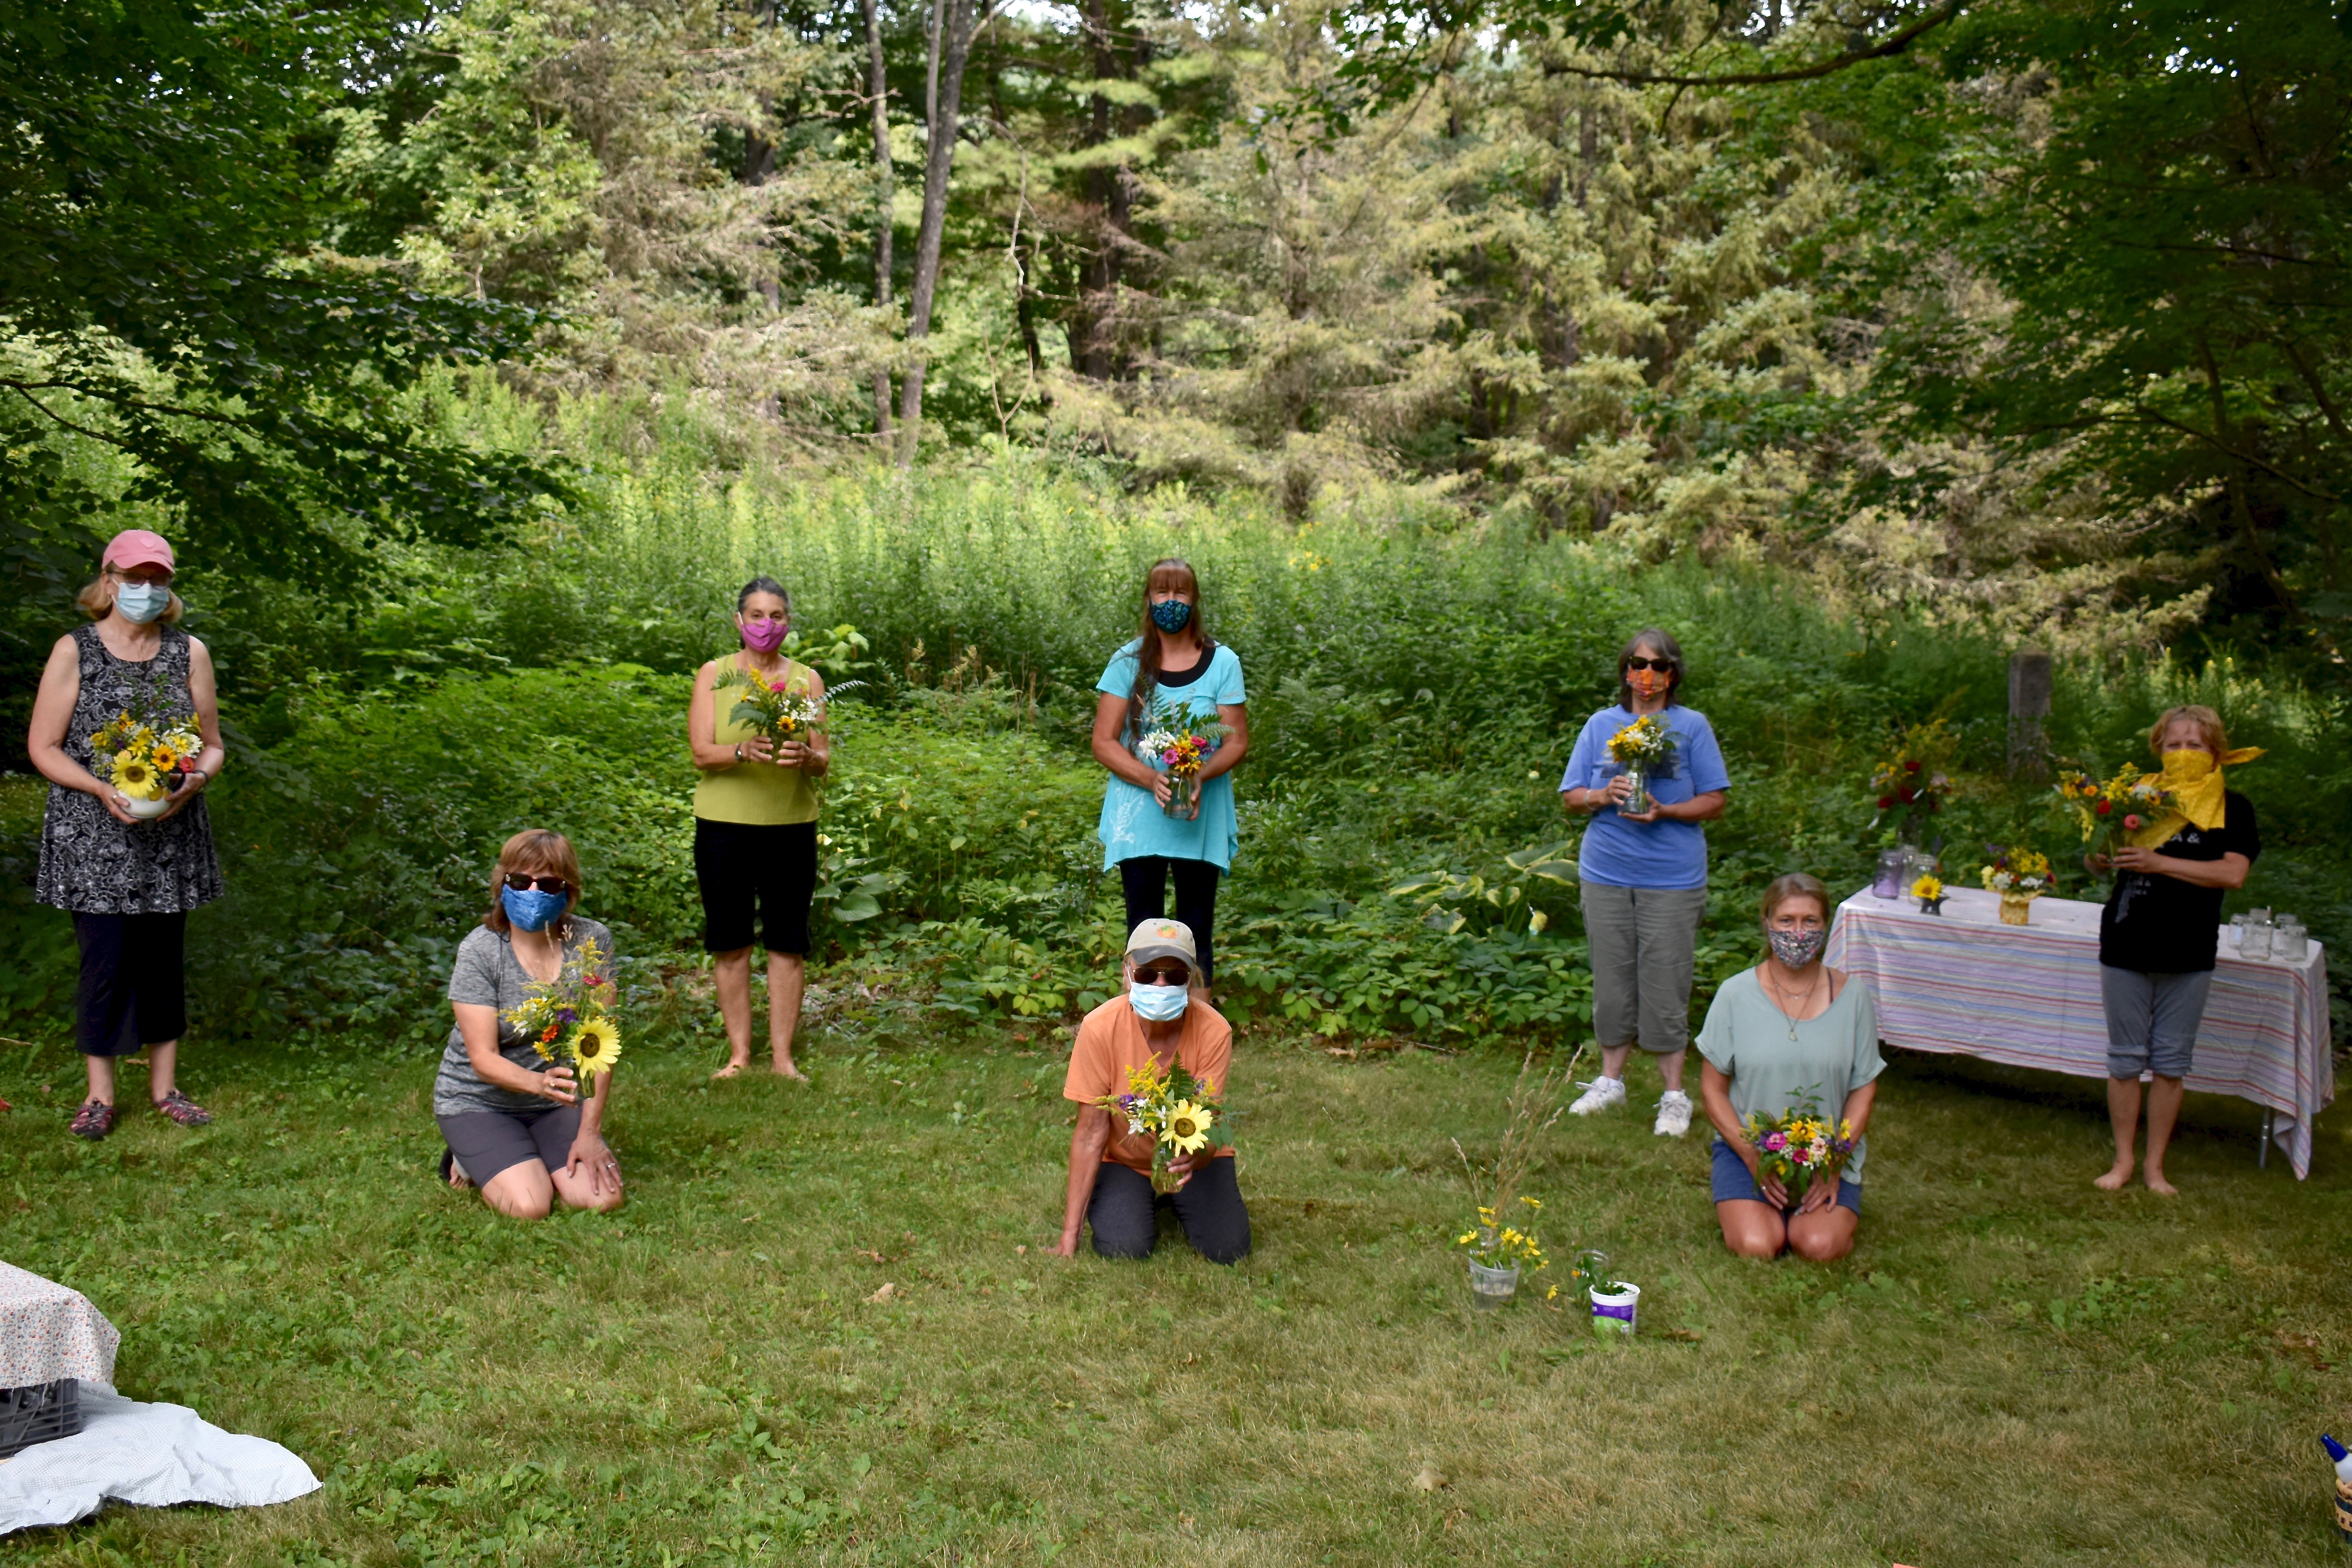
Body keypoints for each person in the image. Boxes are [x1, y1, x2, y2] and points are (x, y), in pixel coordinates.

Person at [26, 529, 224, 1140]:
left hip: (170, 833)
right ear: (108, 581)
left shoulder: (188, 652)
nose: (146, 589)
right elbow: (44, 746)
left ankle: (166, 1089)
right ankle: (99, 1096)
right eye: (134, 578)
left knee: (162, 961)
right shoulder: (75, 650)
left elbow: (213, 746)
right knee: (105, 962)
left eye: (157, 579)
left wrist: (192, 783)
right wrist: (98, 789)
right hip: (92, 835)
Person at [1557, 629, 1731, 1135]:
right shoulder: (1600, 724)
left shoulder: (1691, 726)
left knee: (1666, 981)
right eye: (1638, 664)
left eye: (1658, 665)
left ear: (1672, 674)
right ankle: (1609, 1081)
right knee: (1611, 979)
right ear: (1625, 670)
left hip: (1672, 878)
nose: (1647, 674)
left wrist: (1667, 810)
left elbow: (1716, 801)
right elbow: (1570, 796)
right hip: (1605, 871)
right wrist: (1601, 794)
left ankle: (1673, 1095)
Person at [2086, 705, 2259, 1196]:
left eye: (2195, 745)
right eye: (2173, 745)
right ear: (2158, 750)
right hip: (2125, 941)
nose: (2183, 752)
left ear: (2215, 753)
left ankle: (2155, 1167)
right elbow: (2105, 862)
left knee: (2171, 1062)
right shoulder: (2139, 798)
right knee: (2124, 1059)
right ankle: (2122, 1160)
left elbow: (2233, 873)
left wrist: (2159, 862)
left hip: (2189, 948)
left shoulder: (2232, 807)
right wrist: (2099, 856)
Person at [437, 830, 625, 1220]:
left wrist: (589, 1133)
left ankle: (524, 1150)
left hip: (555, 1102)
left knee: (601, 1200)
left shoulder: (591, 941)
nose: (534, 891)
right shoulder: (480, 950)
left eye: (550, 883)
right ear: (502, 883)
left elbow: (600, 1045)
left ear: (568, 890)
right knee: (529, 1205)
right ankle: (467, 1155)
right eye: (522, 881)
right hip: (479, 1100)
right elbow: (483, 1058)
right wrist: (538, 1083)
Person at [1697, 873, 1882, 1262]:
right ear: (1767, 922)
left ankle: (1816, 1215)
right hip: (1750, 1152)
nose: (1798, 933)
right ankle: (1756, 1207)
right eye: (1786, 920)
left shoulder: (1854, 997)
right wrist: (1751, 1156)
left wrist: (1836, 1162)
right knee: (1757, 1245)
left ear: (1825, 925)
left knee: (1817, 1246)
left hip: (1825, 1154)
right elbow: (1712, 1089)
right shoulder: (1734, 994)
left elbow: (1863, 1087)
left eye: (1809, 921)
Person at [688, 576, 828, 1080]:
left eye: (776, 616)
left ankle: (783, 1059)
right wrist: (742, 750)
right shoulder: (715, 674)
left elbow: (824, 759)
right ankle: (739, 1056)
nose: (766, 625)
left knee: (787, 943)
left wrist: (808, 757)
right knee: (731, 942)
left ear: (788, 622)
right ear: (739, 620)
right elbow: (701, 752)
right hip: (723, 828)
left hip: (790, 827)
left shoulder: (807, 681)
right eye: (756, 615)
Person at [1089, 559, 1249, 992]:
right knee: (1143, 927)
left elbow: (1235, 740)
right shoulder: (1127, 662)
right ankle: (1139, 1021)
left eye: (1181, 592)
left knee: (1196, 925)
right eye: (1162, 592)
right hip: (1140, 816)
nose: (1171, 601)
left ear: (1194, 600)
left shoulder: (1222, 662)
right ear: (1148, 599)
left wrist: (1200, 776)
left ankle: (1198, 1021)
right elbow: (1103, 741)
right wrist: (1149, 779)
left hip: (1199, 811)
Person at [1051, 918, 1250, 1264]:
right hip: (1124, 1160)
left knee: (1228, 1247)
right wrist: (1069, 1235)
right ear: (1127, 974)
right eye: (1147, 974)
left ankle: (1177, 1199)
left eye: (1174, 975)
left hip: (1193, 1158)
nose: (1160, 984)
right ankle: (1136, 1197)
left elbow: (1209, 1119)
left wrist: (1198, 1157)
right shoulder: (1099, 1028)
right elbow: (1090, 1133)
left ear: (1191, 980)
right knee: (1124, 1247)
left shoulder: (1214, 1030)